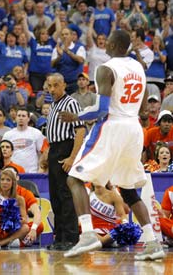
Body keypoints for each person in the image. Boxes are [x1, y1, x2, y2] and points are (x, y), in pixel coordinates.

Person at [59, 29, 165, 260]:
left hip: (113, 126)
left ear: (115, 45)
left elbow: (100, 110)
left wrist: (75, 117)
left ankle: (87, 235)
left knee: (74, 178)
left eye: (107, 41)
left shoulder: (106, 68)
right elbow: (144, 104)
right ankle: (152, 243)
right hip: (134, 128)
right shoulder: (138, 66)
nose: (104, 44)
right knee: (128, 190)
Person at [45, 73, 86, 251]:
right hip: (54, 150)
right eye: (49, 86)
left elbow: (80, 131)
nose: (52, 89)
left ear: (63, 85)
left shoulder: (71, 103)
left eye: (55, 85)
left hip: (66, 148)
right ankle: (60, 238)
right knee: (55, 197)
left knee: (66, 196)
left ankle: (71, 238)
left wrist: (72, 157)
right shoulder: (53, 105)